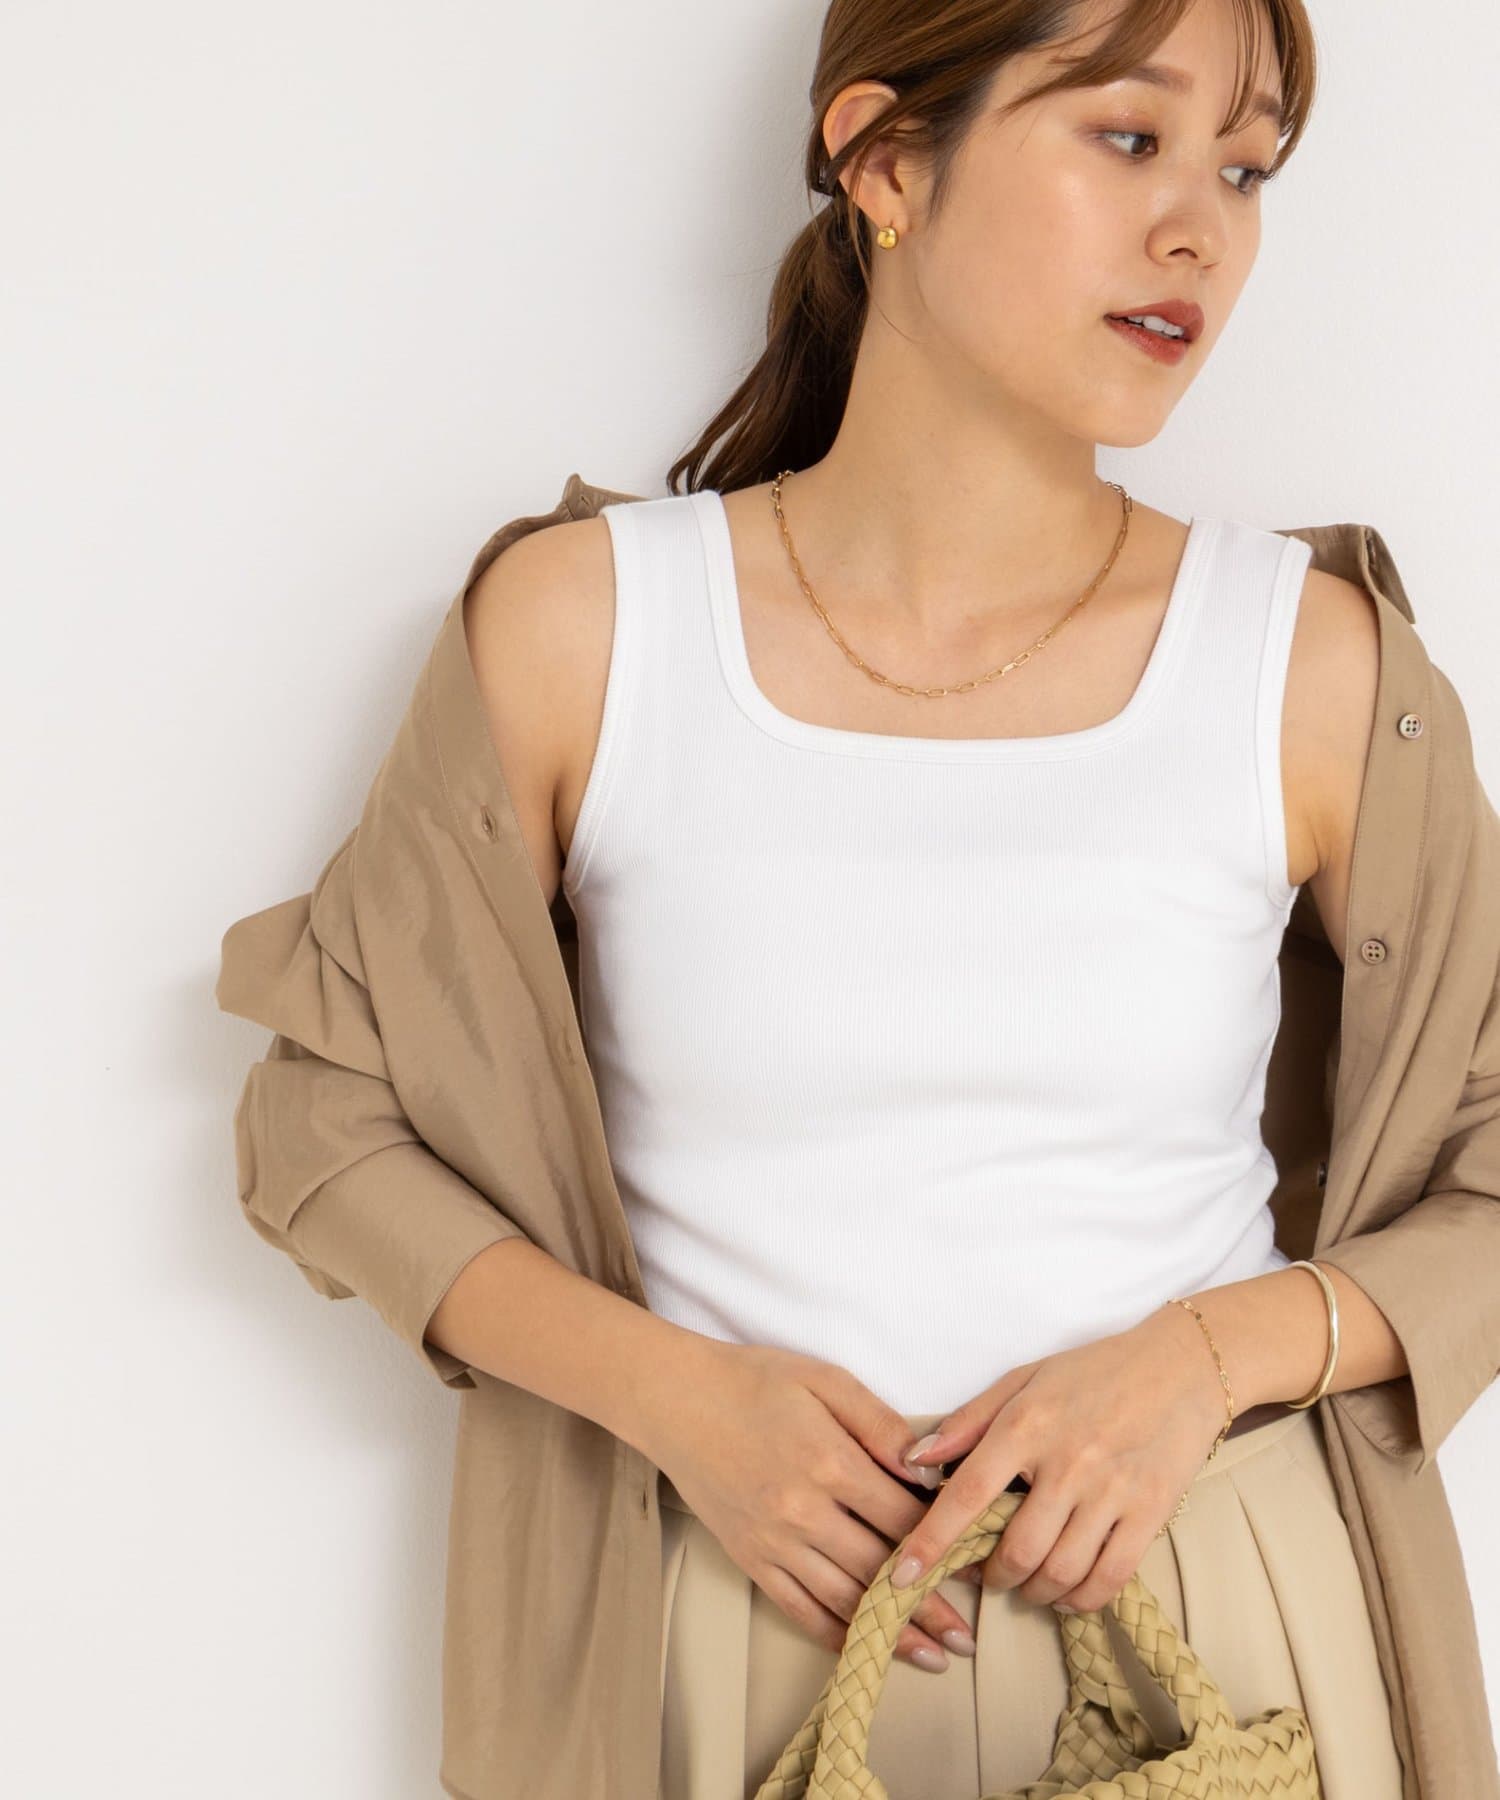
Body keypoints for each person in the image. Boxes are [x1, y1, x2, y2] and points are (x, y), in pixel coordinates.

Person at [438, 0, 1419, 1791]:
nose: (1199, 230)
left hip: (1214, 1623)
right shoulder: (586, 628)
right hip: (731, 1619)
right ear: (885, 161)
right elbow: (336, 1121)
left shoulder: (1310, 662)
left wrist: (1205, 1359)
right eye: (1129, 136)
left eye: (1247, 169)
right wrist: (674, 1396)